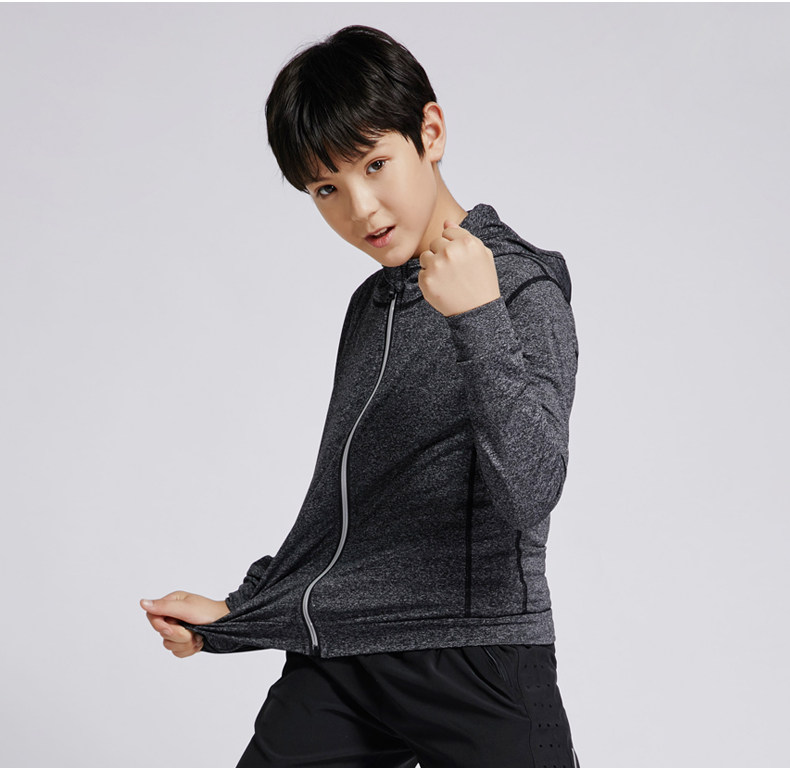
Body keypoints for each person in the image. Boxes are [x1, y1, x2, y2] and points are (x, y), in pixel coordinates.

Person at [140, 24, 581, 768]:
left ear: (430, 132)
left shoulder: (520, 288)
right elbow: (346, 504)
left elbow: (531, 490)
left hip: (479, 663)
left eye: (376, 164)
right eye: (327, 189)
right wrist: (240, 611)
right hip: (342, 663)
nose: (362, 209)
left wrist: (476, 317)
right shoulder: (371, 307)